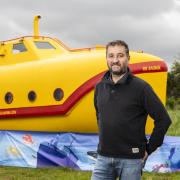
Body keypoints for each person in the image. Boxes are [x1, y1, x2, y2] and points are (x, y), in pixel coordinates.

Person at [91, 40, 172, 180]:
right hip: (103, 158)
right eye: (111, 56)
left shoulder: (141, 88)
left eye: (120, 55)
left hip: (131, 160)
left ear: (128, 58)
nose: (115, 60)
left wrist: (149, 148)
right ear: (106, 58)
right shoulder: (99, 87)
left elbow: (163, 120)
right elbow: (100, 116)